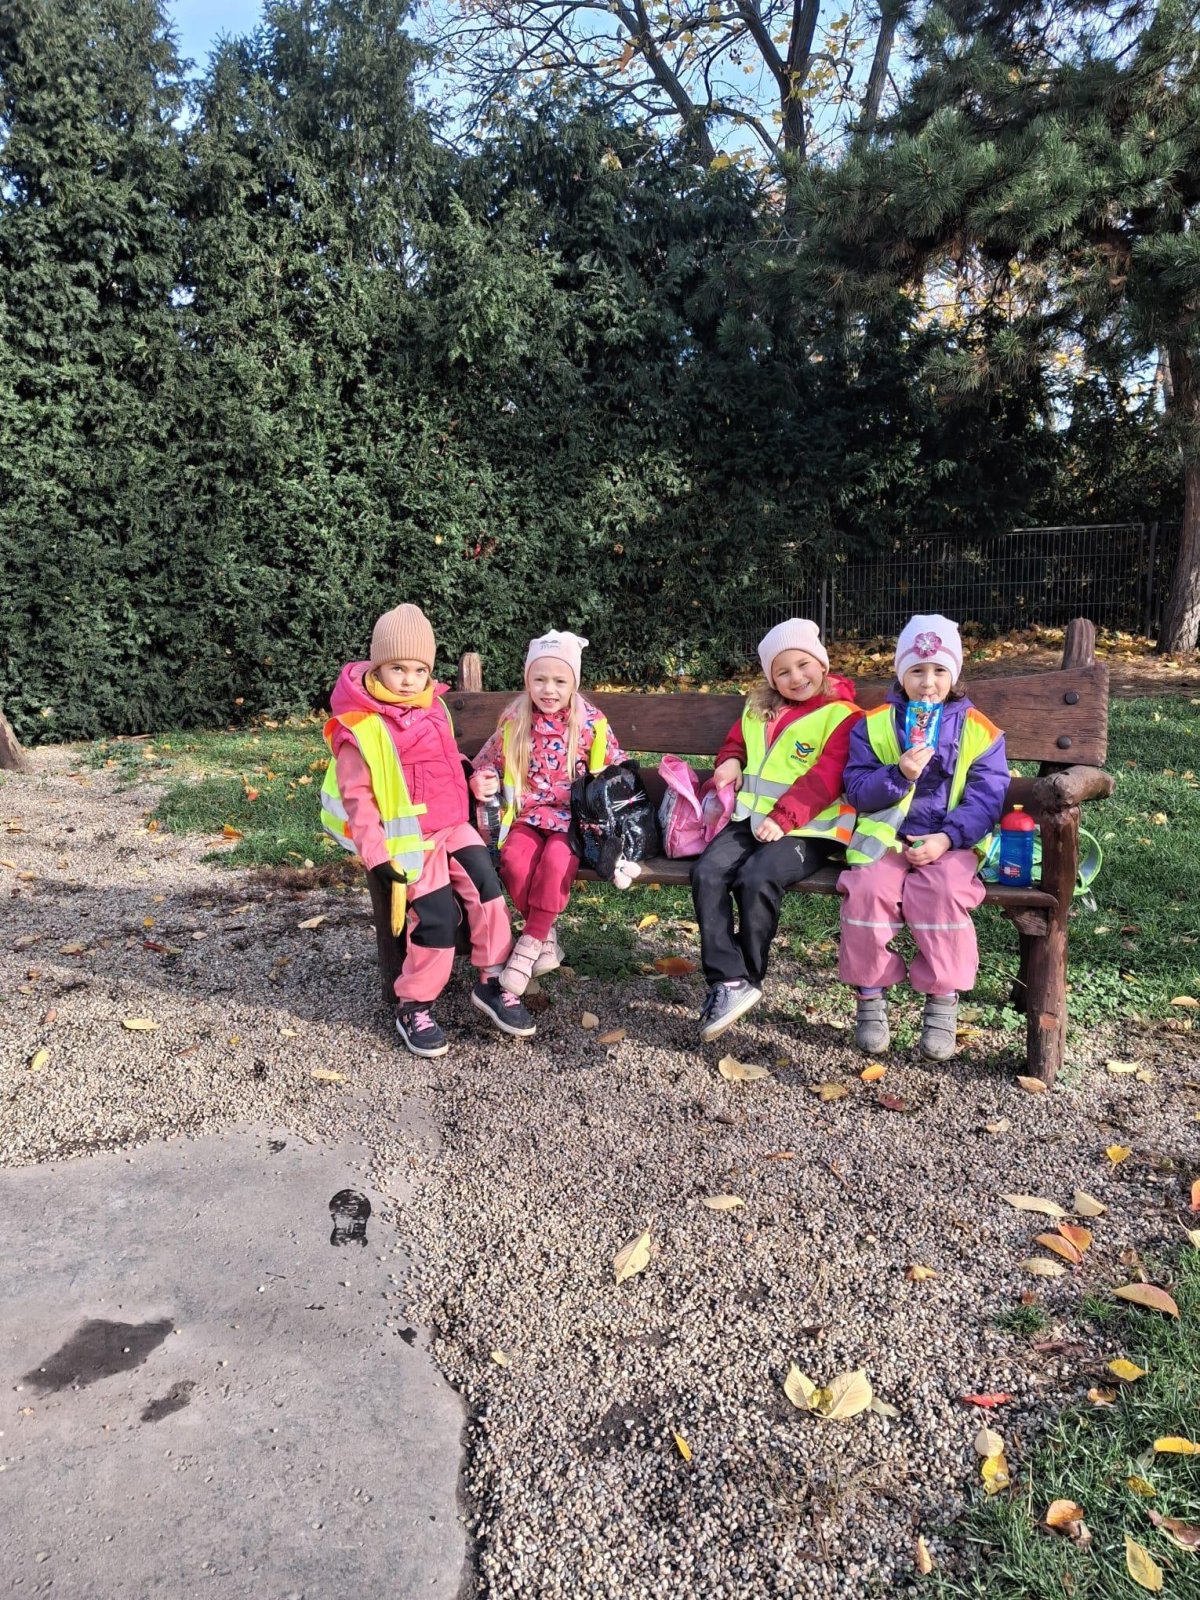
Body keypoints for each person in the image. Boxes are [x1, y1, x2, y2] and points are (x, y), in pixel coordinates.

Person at [320, 602, 536, 1057]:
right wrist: (377, 858)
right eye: (398, 668)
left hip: (454, 827)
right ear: (377, 666)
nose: (409, 680)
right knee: (436, 919)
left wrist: (470, 780)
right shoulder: (361, 726)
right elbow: (359, 801)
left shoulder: (434, 707)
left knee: (489, 893)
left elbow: (443, 763)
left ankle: (493, 980)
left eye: (420, 670)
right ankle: (414, 1004)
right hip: (411, 843)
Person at [838, 613, 1009, 1061]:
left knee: (944, 894)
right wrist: (899, 774)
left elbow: (986, 798)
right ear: (901, 674)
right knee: (867, 890)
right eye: (916, 670)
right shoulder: (874, 724)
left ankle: (942, 1000)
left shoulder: (979, 730)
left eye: (938, 670)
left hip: (951, 842)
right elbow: (856, 788)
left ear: (955, 675)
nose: (927, 682)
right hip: (886, 836)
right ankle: (870, 995)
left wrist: (947, 839)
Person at [691, 619, 861, 1043]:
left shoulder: (841, 715)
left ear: (822, 665)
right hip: (750, 819)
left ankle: (748, 974)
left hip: (811, 830)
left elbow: (826, 777)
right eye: (782, 671)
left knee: (757, 877)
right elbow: (736, 743)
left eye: (804, 665)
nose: (796, 677)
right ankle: (728, 979)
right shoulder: (757, 709)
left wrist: (784, 818)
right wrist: (729, 761)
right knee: (707, 872)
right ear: (771, 678)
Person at [469, 630, 624, 995]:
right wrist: (482, 779)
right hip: (526, 816)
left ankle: (527, 947)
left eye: (559, 681)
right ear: (527, 681)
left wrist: (606, 781)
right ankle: (544, 935)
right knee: (514, 861)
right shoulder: (515, 720)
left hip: (574, 821)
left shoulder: (590, 723)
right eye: (539, 680)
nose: (548, 689)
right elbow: (487, 762)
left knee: (556, 861)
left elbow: (617, 766)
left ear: (574, 684)